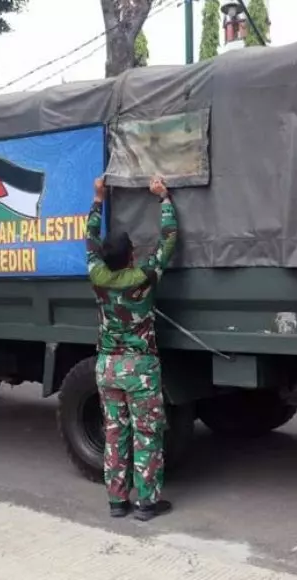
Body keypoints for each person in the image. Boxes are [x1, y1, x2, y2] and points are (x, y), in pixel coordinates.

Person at [85, 175, 177, 522]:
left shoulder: (97, 277)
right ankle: (147, 503)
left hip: (107, 367)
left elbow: (90, 241)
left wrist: (97, 199)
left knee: (114, 433)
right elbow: (168, 241)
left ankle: (116, 502)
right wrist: (163, 198)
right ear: (132, 255)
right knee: (147, 433)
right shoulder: (143, 278)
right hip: (139, 368)